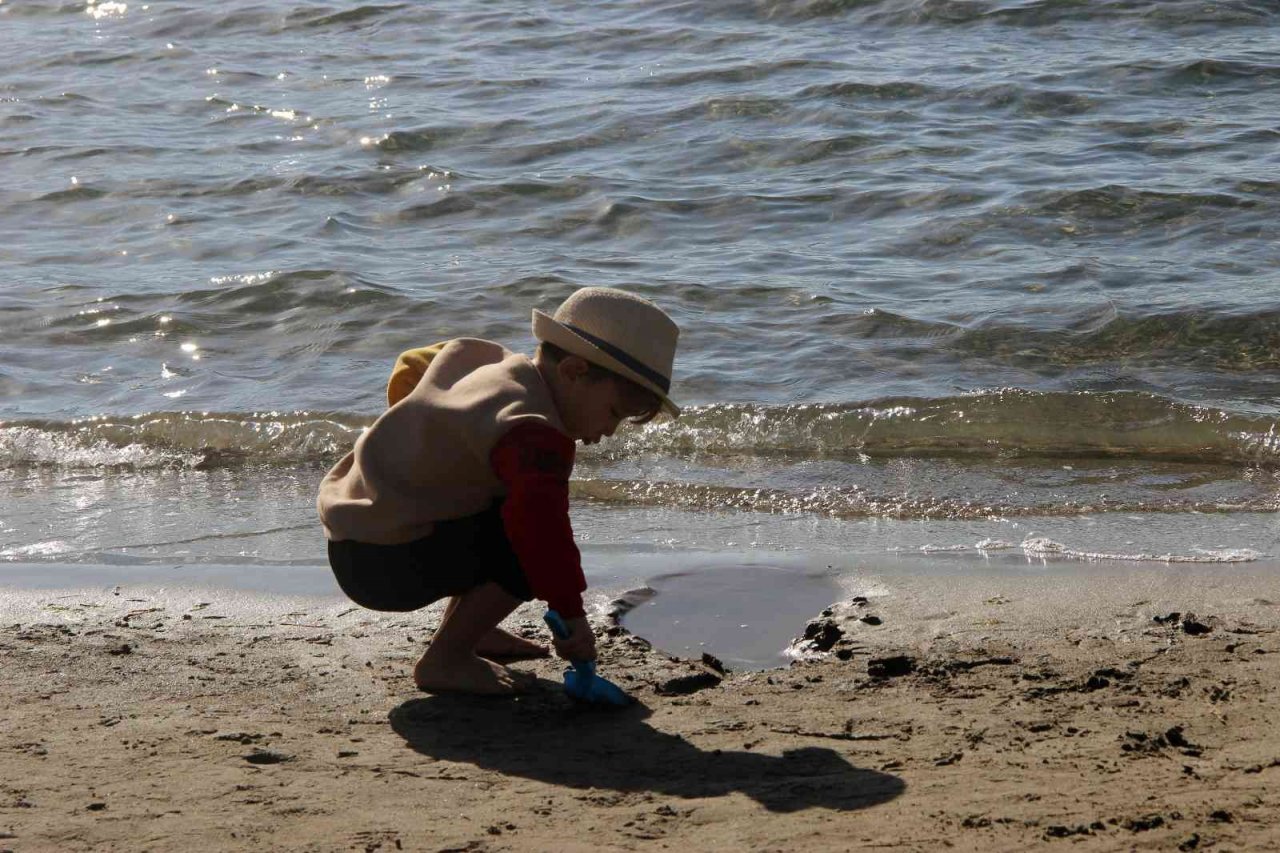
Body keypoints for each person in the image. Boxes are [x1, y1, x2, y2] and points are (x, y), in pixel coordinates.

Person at [317, 287, 681, 695]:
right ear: (575, 372)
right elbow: (544, 538)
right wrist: (571, 616)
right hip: (383, 568)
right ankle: (446, 659)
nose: (609, 431)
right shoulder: (533, 431)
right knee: (526, 547)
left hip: (358, 535)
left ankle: (473, 632)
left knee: (505, 509)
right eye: (614, 413)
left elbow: (413, 368)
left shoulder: (491, 364)